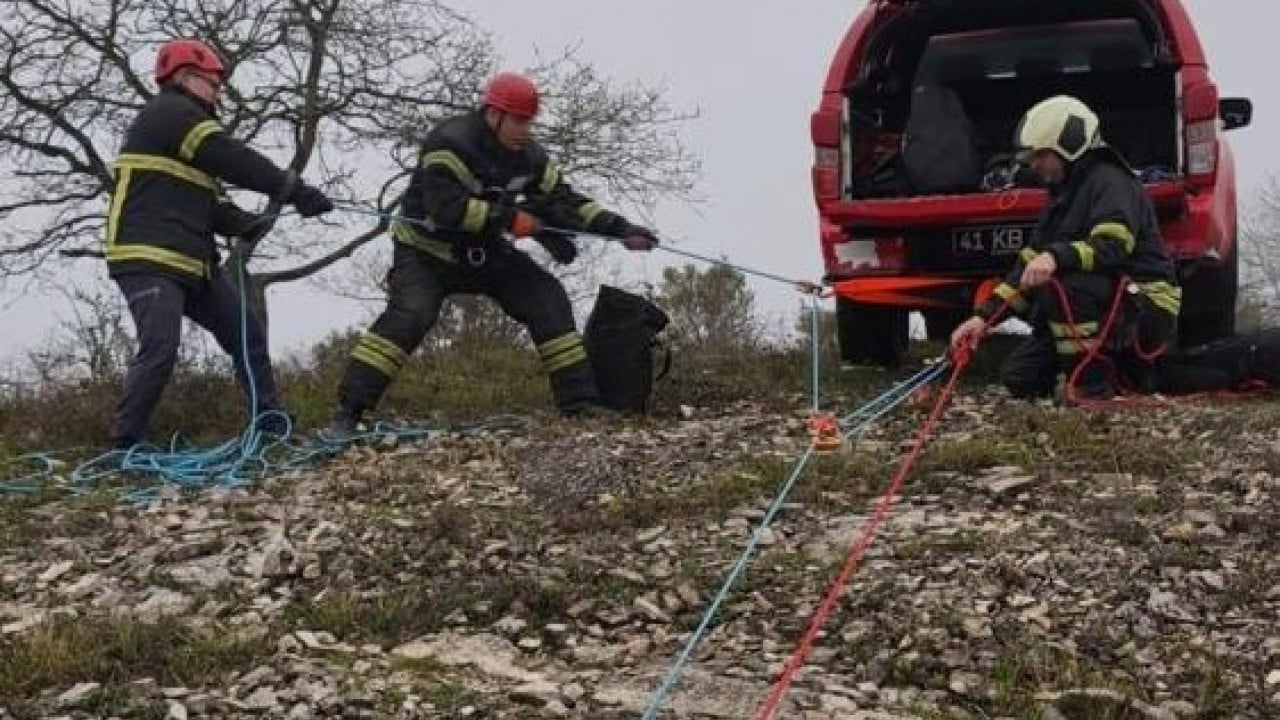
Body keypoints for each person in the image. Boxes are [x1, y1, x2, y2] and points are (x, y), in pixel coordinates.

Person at [323, 72, 657, 437]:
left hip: (487, 252)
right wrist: (512, 219)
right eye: (518, 120)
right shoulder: (449, 144)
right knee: (411, 316)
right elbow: (445, 209)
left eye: (530, 121)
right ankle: (348, 413)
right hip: (426, 253)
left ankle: (579, 405)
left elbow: (565, 201)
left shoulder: (530, 157)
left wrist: (621, 230)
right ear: (493, 114)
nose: (525, 130)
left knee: (547, 299)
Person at [106, 38, 334, 448]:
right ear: (184, 78)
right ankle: (125, 442)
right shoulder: (171, 114)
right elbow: (232, 157)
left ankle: (268, 422)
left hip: (193, 260)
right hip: (148, 256)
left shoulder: (189, 133)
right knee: (161, 346)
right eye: (212, 83)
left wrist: (249, 223)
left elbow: (215, 206)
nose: (218, 92)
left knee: (246, 333)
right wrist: (294, 189)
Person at [951, 95, 1181, 400]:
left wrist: (1056, 256)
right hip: (1107, 306)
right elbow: (1025, 271)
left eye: (1040, 156)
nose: (1033, 165)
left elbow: (1112, 247)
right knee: (1020, 378)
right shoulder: (1062, 196)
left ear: (1069, 147)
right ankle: (1113, 373)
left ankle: (1091, 387)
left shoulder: (1110, 182)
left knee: (1065, 285)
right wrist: (983, 319)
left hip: (1145, 307)